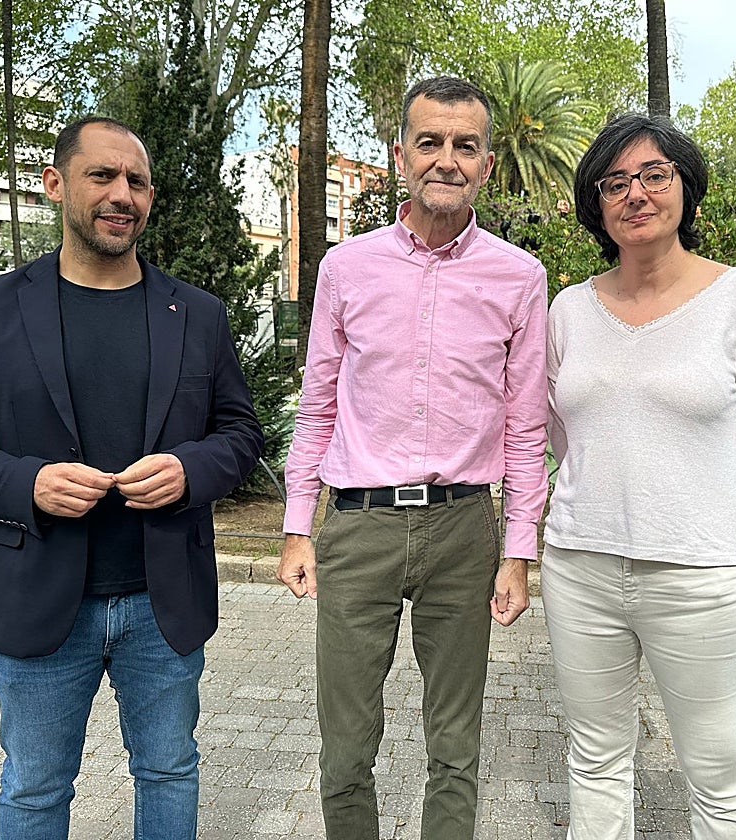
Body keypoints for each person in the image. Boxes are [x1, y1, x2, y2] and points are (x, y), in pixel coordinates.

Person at [0, 116, 265, 839]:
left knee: (169, 771)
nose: (121, 194)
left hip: (161, 601)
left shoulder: (197, 314)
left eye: (136, 181)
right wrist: (29, 485)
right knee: (36, 790)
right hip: (41, 598)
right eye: (102, 176)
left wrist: (189, 467)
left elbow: (240, 434)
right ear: (56, 184)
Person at [275, 76, 548, 840]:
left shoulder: (520, 279)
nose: (447, 160)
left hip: (465, 531)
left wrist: (517, 552)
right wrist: (300, 526)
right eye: (430, 142)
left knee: (455, 749)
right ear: (401, 155)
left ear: (487, 165)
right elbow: (318, 405)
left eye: (465, 146)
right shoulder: (346, 269)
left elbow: (527, 431)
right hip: (357, 529)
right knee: (346, 751)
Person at [543, 113, 736, 839]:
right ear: (596, 203)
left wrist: (712, 525)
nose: (636, 193)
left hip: (700, 578)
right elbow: (565, 431)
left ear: (686, 188)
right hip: (579, 567)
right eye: (615, 182)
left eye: (654, 175)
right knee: (594, 764)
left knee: (720, 778)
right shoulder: (569, 309)